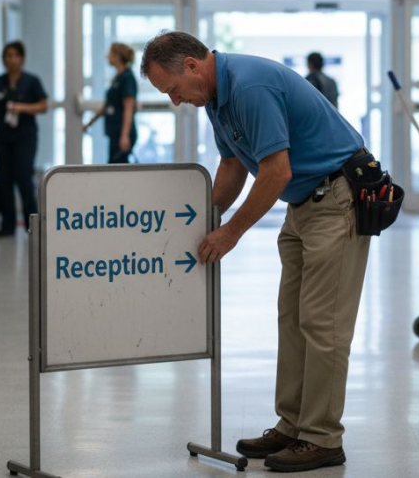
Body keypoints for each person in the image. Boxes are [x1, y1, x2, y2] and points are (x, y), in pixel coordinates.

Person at [141, 32, 370, 473]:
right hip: (305, 204)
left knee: (323, 324)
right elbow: (232, 166)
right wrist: (202, 222)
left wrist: (231, 232)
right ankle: (293, 425)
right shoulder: (216, 98)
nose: (174, 101)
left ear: (192, 66)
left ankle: (322, 438)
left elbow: (275, 169)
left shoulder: (248, 86)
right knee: (292, 319)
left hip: (336, 199)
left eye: (171, 90)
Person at [0, 41, 48, 238]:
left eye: (15, 55)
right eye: (8, 56)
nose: (11, 59)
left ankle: (33, 226)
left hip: (25, 136)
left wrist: (22, 108)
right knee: (4, 181)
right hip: (2, 137)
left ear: (22, 58)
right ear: (4, 59)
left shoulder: (31, 81)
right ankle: (7, 225)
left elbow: (43, 106)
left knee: (24, 178)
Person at [83, 42, 138, 164]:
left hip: (122, 133)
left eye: (110, 54)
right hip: (115, 132)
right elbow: (107, 106)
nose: (107, 57)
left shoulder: (127, 78)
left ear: (117, 57)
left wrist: (125, 135)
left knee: (118, 169)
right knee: (113, 166)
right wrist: (89, 123)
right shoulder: (118, 78)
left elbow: (129, 108)